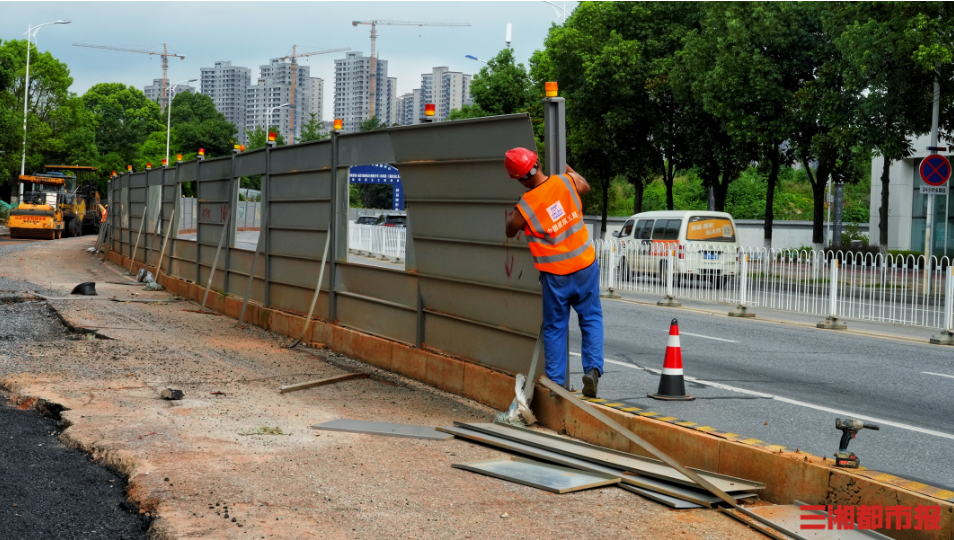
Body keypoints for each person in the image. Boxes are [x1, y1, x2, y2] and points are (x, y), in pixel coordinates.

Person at [504, 147, 605, 397]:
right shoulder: (566, 181)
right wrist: (567, 169)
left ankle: (556, 384)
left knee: (555, 327)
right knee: (591, 318)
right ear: (537, 164)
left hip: (556, 275)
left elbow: (510, 229)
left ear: (518, 178)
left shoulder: (526, 205)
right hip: (585, 266)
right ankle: (592, 370)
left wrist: (521, 207)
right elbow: (585, 185)